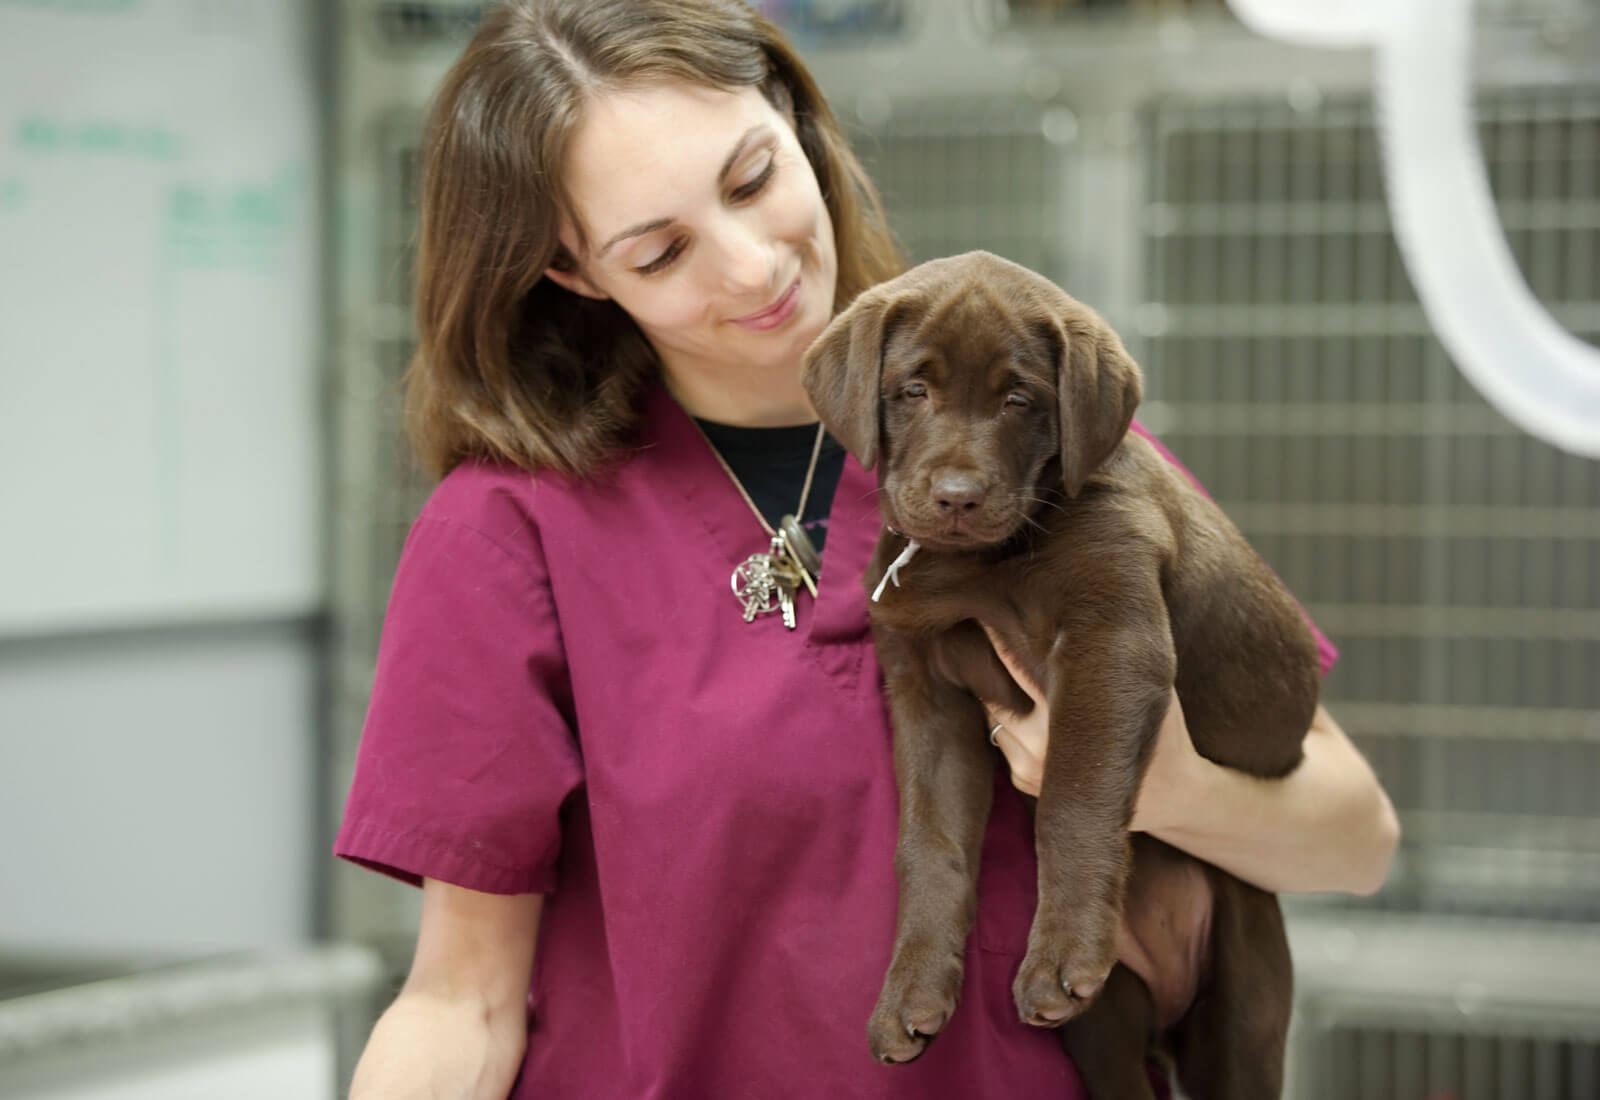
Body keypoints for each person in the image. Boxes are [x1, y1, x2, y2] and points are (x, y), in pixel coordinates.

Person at [335, 2, 1401, 1097]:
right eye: (659, 251)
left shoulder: (1045, 456)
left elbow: (1355, 837)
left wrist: (1163, 784)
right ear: (574, 272)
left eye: (752, 180)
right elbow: (457, 1003)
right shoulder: (509, 533)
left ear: (797, 122)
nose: (752, 269)